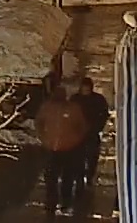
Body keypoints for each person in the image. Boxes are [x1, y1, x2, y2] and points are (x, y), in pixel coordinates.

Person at [38, 80, 91, 215]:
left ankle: (64, 203)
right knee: (52, 178)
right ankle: (53, 203)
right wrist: (44, 138)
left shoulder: (72, 109)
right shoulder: (48, 108)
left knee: (65, 178)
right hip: (53, 148)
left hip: (68, 149)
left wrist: (74, 141)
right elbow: (39, 122)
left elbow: (82, 127)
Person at [75, 77, 111, 188]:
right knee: (78, 156)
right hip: (79, 133)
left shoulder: (98, 100)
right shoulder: (76, 99)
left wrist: (98, 126)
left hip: (92, 132)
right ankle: (80, 177)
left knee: (92, 156)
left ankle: (89, 176)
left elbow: (104, 113)